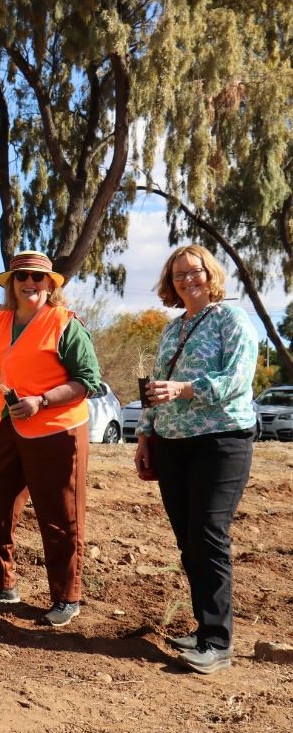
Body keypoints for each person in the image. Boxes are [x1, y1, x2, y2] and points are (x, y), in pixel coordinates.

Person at [134, 244, 257, 675]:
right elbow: (155, 387)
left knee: (207, 533)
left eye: (195, 271)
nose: (188, 280)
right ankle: (205, 628)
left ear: (210, 275)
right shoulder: (172, 330)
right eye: (178, 275)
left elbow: (238, 381)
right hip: (171, 443)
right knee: (188, 538)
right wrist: (145, 434)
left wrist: (184, 389)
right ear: (170, 283)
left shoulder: (232, 319)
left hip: (221, 441)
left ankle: (218, 643)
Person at [0, 250, 101, 627]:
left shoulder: (65, 324)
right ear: (11, 284)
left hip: (57, 429)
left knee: (59, 515)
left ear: (51, 284)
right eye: (21, 276)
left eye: (38, 278)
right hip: (8, 426)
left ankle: (66, 597)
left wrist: (42, 400)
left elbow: (87, 381)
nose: (29, 283)